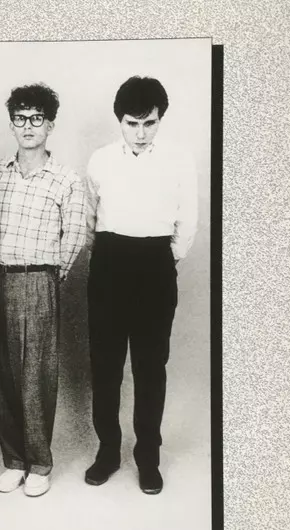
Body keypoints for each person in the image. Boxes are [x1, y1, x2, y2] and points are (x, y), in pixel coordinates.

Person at [85, 76, 198, 494]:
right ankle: (108, 451)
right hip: (109, 263)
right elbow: (89, 218)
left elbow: (188, 220)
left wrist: (163, 260)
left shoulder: (179, 160)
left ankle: (148, 456)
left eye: (149, 123)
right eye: (132, 124)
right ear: (120, 121)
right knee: (105, 366)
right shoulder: (100, 160)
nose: (140, 133)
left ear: (159, 119)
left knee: (151, 367)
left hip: (155, 265)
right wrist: (108, 257)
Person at [0, 83, 87, 498]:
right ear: (12, 124)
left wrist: (46, 277)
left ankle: (39, 463)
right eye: (20, 118)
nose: (28, 126)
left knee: (37, 374)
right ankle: (13, 461)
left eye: (37, 119)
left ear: (50, 125)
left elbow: (74, 236)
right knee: (2, 373)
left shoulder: (65, 179)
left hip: (40, 279)